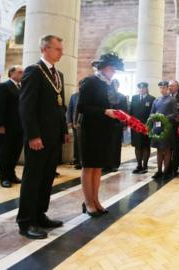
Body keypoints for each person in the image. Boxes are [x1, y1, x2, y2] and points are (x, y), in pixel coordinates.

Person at [17, 35, 70, 239]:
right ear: (45, 49)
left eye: (61, 48)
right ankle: (25, 221)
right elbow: (26, 107)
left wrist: (64, 130)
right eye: (57, 49)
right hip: (38, 138)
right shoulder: (34, 71)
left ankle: (40, 215)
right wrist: (33, 135)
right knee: (33, 178)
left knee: (47, 177)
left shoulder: (59, 74)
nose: (61, 52)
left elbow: (60, 106)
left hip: (54, 136)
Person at [78, 52, 124, 217]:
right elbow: (82, 107)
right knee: (88, 166)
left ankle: (96, 200)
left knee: (98, 167)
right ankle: (88, 202)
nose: (113, 72)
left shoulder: (109, 85)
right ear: (103, 68)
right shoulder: (90, 82)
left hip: (104, 130)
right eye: (112, 69)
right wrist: (105, 111)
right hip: (90, 129)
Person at [0, 66, 24, 188]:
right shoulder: (4, 86)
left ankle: (11, 174)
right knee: (5, 153)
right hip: (7, 126)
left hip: (20, 126)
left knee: (15, 152)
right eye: (20, 72)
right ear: (11, 74)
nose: (23, 74)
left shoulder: (22, 87)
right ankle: (4, 177)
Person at [150, 81, 177, 179]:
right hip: (157, 127)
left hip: (167, 127)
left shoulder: (172, 100)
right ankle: (159, 171)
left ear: (167, 88)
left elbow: (174, 114)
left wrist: (163, 117)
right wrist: (154, 117)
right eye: (160, 88)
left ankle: (166, 171)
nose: (162, 90)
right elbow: (151, 113)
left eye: (164, 88)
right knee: (159, 150)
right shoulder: (157, 100)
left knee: (167, 149)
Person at [129, 82, 155, 174]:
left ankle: (145, 166)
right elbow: (131, 112)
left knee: (145, 146)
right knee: (137, 146)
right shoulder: (134, 98)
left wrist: (150, 125)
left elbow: (153, 114)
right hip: (135, 126)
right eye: (140, 88)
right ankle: (139, 165)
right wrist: (130, 123)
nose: (141, 89)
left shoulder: (151, 99)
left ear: (146, 89)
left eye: (143, 88)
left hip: (146, 127)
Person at [105, 79, 128, 172]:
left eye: (115, 85)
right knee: (106, 145)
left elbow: (124, 112)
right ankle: (105, 164)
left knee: (115, 145)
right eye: (112, 85)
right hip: (105, 124)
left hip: (116, 124)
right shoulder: (105, 96)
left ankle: (114, 164)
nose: (113, 86)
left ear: (118, 86)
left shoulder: (122, 97)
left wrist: (124, 123)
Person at [168, 80, 179, 174]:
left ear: (177, 87)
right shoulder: (167, 97)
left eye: (172, 86)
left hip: (178, 125)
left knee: (177, 147)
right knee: (169, 147)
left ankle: (176, 165)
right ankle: (169, 165)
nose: (170, 88)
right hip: (168, 125)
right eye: (169, 86)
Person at [67, 81, 82, 170]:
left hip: (83, 123)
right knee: (76, 142)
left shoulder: (88, 96)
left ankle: (81, 160)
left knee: (81, 143)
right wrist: (69, 121)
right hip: (74, 123)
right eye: (79, 86)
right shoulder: (74, 96)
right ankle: (76, 159)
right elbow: (70, 109)